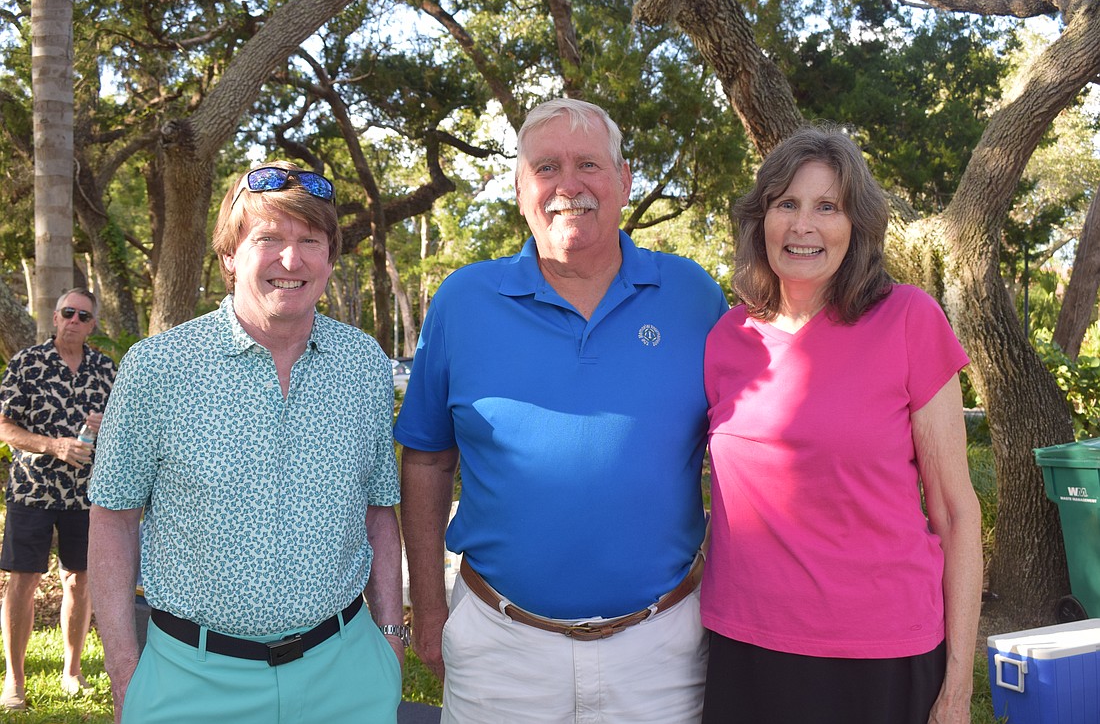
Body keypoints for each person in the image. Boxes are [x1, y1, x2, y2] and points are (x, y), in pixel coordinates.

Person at [395, 98, 728, 722]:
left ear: (625, 180)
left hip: (664, 652)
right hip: (501, 651)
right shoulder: (463, 302)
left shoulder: (692, 296)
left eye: (589, 165)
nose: (567, 186)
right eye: (546, 167)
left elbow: (745, 448)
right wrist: (432, 608)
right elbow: (428, 458)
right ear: (520, 189)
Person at [88, 161, 405, 724]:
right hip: (192, 682)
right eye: (269, 239)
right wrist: (125, 675)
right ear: (230, 255)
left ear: (330, 258)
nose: (292, 259)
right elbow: (112, 520)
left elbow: (379, 509)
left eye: (311, 240)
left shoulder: (364, 365)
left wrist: (390, 642)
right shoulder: (157, 369)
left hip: (347, 677)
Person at [701, 126, 983, 723]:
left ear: (856, 226)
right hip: (745, 646)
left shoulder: (909, 319)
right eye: (787, 204)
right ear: (762, 220)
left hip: (879, 654)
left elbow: (956, 512)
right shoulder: (727, 338)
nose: (804, 225)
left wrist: (958, 687)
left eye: (827, 206)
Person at [0, 287, 116, 710]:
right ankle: (14, 680)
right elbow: (4, 427)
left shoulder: (106, 369)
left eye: (84, 316)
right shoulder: (27, 363)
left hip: (86, 495)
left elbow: (127, 431)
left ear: (92, 326)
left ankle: (72, 671)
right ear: (54, 316)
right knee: (23, 581)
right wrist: (53, 446)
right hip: (31, 491)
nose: (74, 320)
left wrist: (107, 426)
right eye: (68, 312)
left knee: (80, 579)